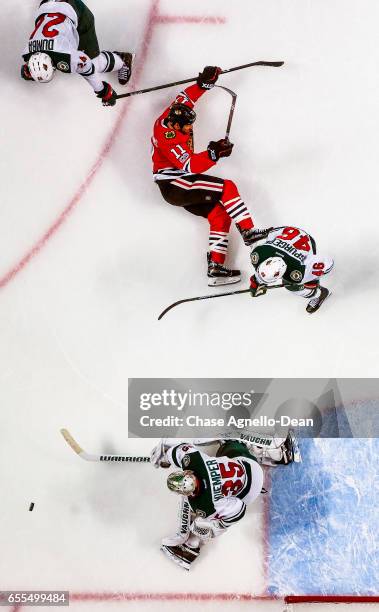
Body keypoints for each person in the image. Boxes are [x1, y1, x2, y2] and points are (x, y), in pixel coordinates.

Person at [151, 65, 271, 286]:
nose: (189, 130)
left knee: (219, 216)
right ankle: (249, 231)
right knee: (228, 187)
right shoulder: (166, 135)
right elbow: (190, 165)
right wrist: (213, 154)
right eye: (186, 127)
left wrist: (202, 85)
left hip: (179, 184)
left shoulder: (175, 112)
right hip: (175, 184)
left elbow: (186, 97)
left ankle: (216, 267)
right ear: (175, 125)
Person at [151, 434, 298, 569]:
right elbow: (179, 449)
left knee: (204, 524)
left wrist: (217, 526)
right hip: (248, 466)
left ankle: (192, 546)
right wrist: (165, 455)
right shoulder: (194, 460)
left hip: (250, 491)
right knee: (231, 441)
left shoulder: (204, 505)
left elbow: (239, 510)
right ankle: (276, 452)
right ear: (187, 472)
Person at [21, 0, 134, 106]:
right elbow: (27, 68)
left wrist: (103, 91)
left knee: (95, 64)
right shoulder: (27, 52)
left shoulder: (67, 57)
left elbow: (88, 68)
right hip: (49, 4)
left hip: (78, 13)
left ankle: (123, 60)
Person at [249, 226, 334, 313]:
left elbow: (328, 263)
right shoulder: (258, 253)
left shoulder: (296, 270)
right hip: (289, 231)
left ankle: (320, 294)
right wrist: (255, 282)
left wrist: (311, 282)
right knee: (293, 282)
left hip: (306, 240)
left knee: (293, 286)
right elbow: (272, 233)